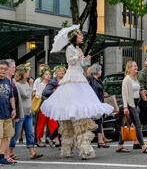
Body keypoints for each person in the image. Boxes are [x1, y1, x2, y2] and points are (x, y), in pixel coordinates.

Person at [40, 29, 113, 160]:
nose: (82, 37)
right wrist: (78, 56)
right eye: (80, 35)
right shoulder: (70, 48)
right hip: (72, 78)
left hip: (79, 76)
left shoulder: (78, 48)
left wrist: (85, 59)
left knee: (81, 110)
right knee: (73, 110)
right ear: (75, 37)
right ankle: (67, 149)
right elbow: (71, 62)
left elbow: (81, 64)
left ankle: (80, 148)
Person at [8, 64, 43, 160]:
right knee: (16, 133)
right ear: (22, 73)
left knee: (30, 132)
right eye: (27, 71)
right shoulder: (17, 84)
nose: (28, 73)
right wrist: (31, 86)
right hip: (21, 112)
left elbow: (29, 94)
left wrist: (30, 86)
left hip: (28, 111)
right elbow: (26, 95)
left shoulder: (26, 83)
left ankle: (32, 153)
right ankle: (10, 152)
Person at [116, 61, 147, 154]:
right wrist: (125, 107)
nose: (136, 67)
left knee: (126, 125)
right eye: (134, 66)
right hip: (130, 105)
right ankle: (143, 146)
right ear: (129, 68)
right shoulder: (126, 79)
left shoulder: (135, 78)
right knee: (138, 125)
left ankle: (119, 146)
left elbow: (134, 90)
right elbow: (124, 94)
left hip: (135, 103)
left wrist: (141, 92)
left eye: (136, 65)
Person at [37, 66, 64, 147]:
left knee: (53, 123)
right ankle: (38, 140)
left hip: (53, 107)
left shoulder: (54, 82)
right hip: (45, 106)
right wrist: (54, 92)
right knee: (41, 124)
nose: (48, 75)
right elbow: (41, 95)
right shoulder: (45, 84)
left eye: (49, 74)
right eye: (46, 74)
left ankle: (56, 140)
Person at [87, 63, 109, 148]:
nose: (101, 71)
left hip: (99, 103)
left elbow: (99, 91)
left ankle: (100, 141)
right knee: (90, 122)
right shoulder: (89, 79)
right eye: (100, 70)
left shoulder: (98, 80)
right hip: (92, 103)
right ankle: (86, 141)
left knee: (100, 121)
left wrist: (103, 94)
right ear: (96, 71)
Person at [0, 60, 16, 165]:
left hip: (7, 113)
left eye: (5, 69)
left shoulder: (7, 81)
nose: (3, 71)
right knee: (0, 136)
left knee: (6, 136)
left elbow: (11, 96)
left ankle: (2, 157)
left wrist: (14, 109)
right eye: (1, 69)